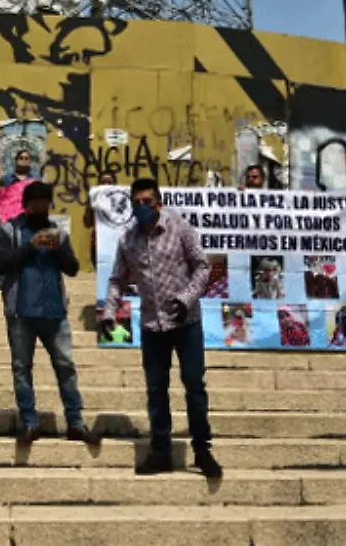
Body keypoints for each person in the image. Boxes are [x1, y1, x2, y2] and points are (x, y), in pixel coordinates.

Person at [102, 178, 221, 477]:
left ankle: (202, 451)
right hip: (153, 326)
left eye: (149, 202)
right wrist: (108, 313)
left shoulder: (179, 228)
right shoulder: (127, 240)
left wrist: (185, 298)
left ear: (159, 203)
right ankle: (160, 451)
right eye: (137, 202)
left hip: (186, 322)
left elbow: (203, 266)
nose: (143, 208)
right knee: (156, 390)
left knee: (194, 385)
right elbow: (117, 279)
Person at [0, 181, 100, 446]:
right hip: (21, 312)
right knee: (21, 367)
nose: (39, 207)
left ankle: (75, 422)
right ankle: (30, 422)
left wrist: (59, 249)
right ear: (25, 205)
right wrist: (29, 246)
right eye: (34, 202)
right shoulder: (9, 230)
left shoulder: (58, 232)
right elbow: (0, 263)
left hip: (54, 313)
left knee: (65, 366)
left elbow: (73, 268)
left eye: (44, 202)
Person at [0, 149, 40, 290]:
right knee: (4, 247)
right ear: (16, 161)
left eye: (27, 158)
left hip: (28, 219)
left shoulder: (35, 180)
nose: (24, 160)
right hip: (9, 218)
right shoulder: (7, 179)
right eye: (21, 158)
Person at [83, 171, 117, 264]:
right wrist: (90, 204)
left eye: (109, 183)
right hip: (98, 243)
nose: (106, 185)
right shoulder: (94, 200)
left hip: (115, 243)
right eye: (103, 182)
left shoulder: (120, 200)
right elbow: (87, 223)